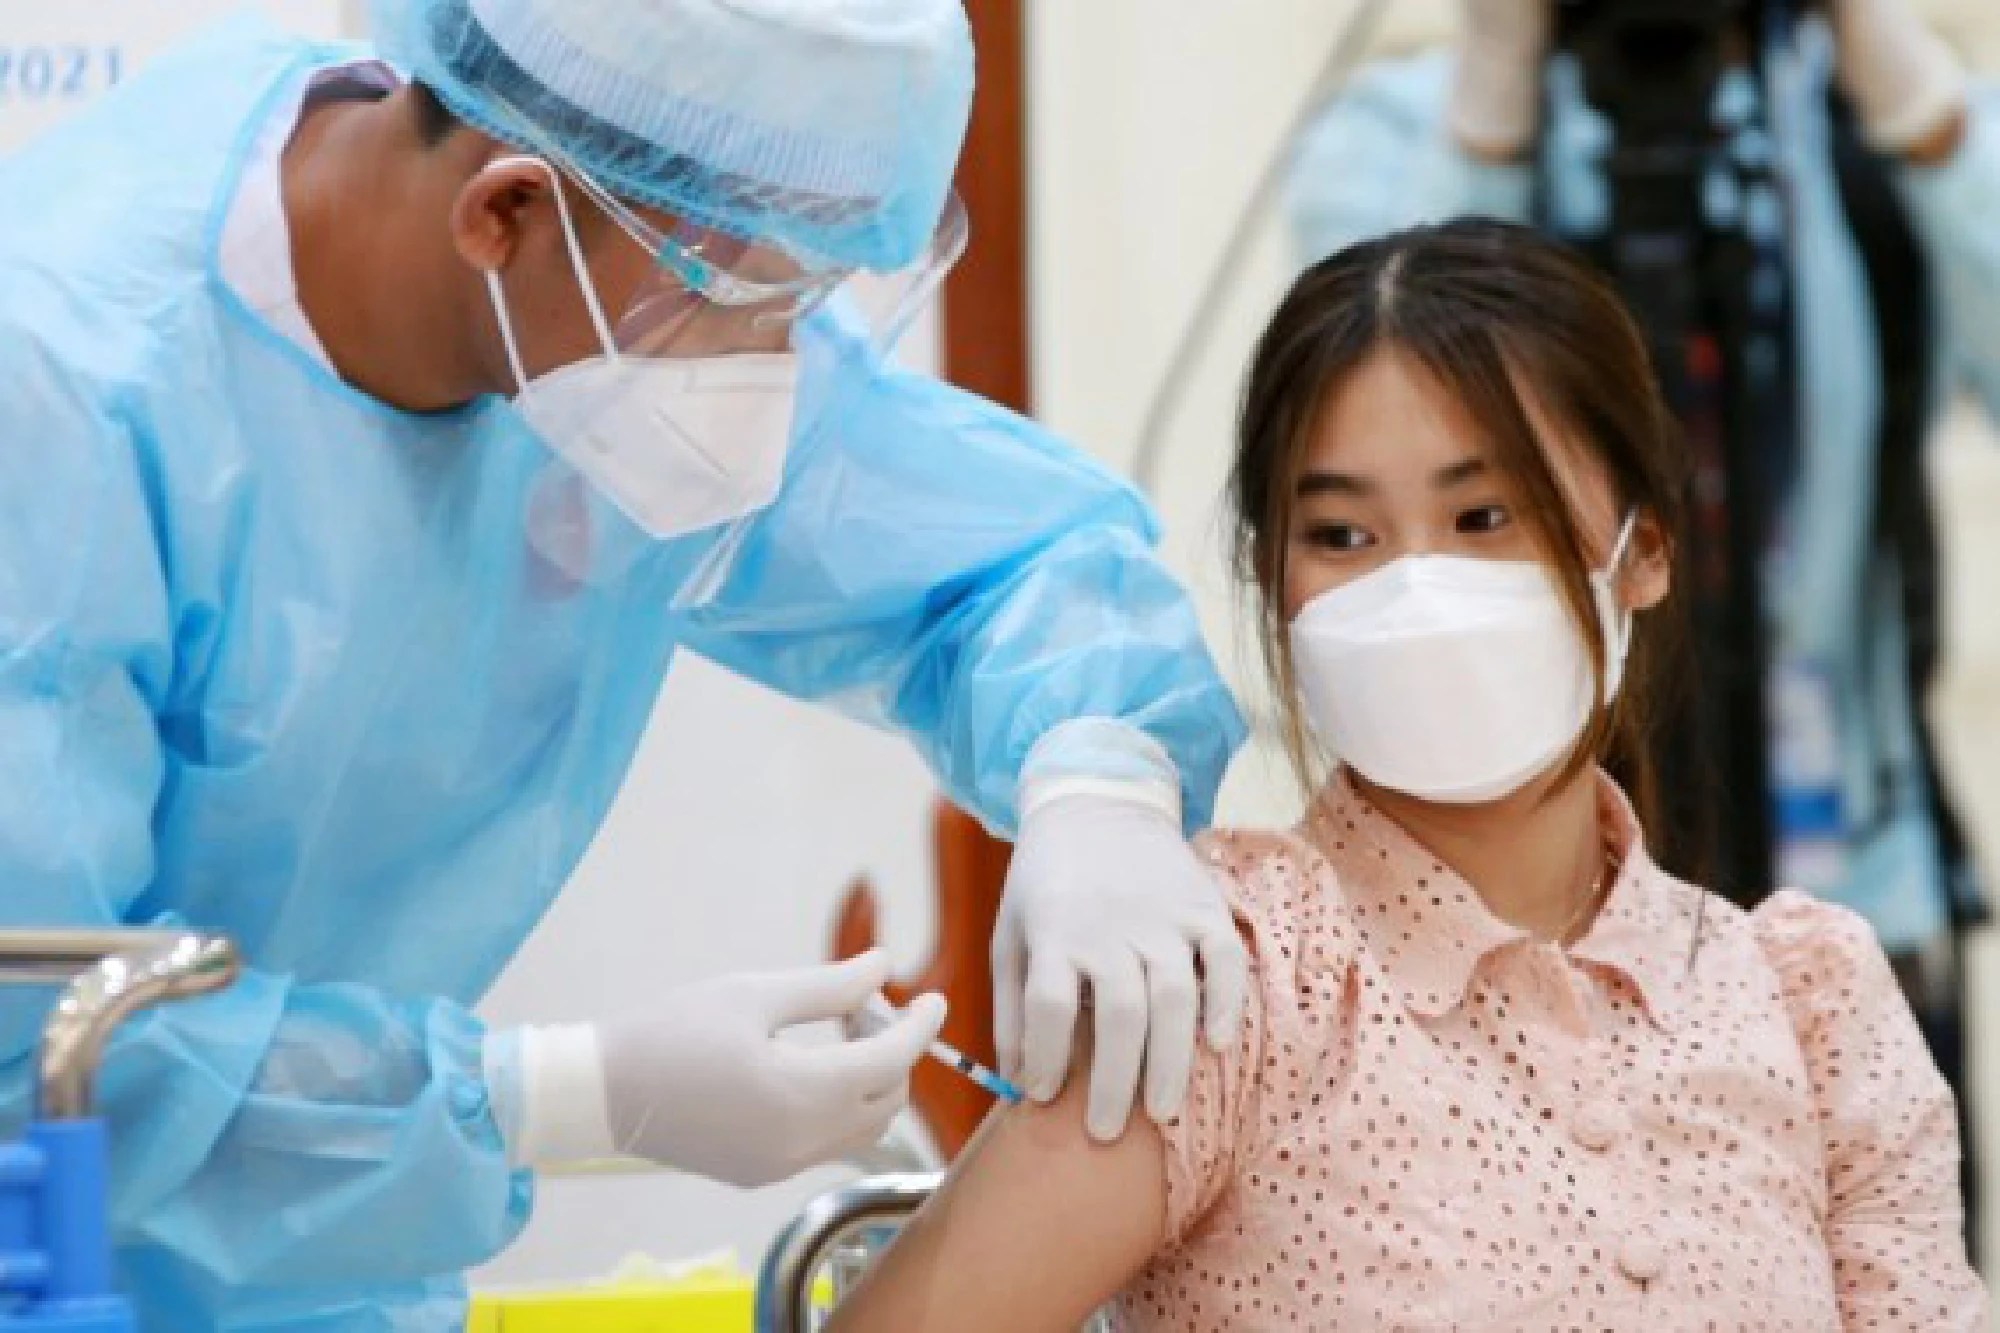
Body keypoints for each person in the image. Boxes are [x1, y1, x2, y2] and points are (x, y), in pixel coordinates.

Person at [0, 0, 1253, 1325]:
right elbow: (44, 1037)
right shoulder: (69, 400)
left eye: (814, 298)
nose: (777, 374)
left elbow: (1002, 565)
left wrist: (1098, 782)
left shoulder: (610, 279)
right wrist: (558, 1093)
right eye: (756, 299)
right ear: (502, 216)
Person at [822, 220, 1987, 1331]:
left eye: (1483, 516)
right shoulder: (1231, 975)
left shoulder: (1802, 998)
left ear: (1641, 553)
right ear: (1269, 579)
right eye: (1339, 535)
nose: (1415, 589)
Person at [1287, 0, 2000, 1236]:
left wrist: (1911, 93)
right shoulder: (1409, 125)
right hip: (1507, 927)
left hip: (1858, 887)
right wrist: (1495, 97)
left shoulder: (1860, 128)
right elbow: (1356, 408)